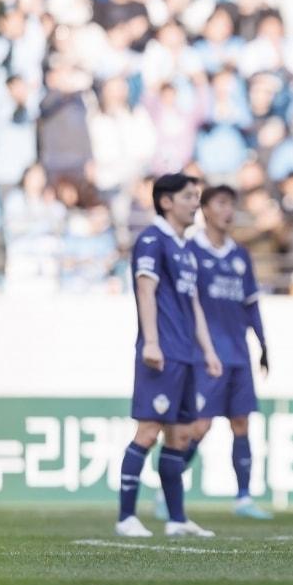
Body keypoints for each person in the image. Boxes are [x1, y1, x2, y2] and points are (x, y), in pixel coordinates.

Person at [153, 185, 272, 521]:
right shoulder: (190, 251)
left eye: (232, 204)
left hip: (238, 354)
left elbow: (251, 304)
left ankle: (244, 497)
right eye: (221, 203)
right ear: (205, 209)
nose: (228, 211)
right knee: (198, 426)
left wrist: (263, 345)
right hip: (205, 356)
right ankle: (166, 490)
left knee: (241, 423)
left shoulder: (240, 255)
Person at [115, 174, 221, 538]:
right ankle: (126, 517)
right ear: (166, 202)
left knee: (179, 436)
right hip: (162, 353)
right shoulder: (151, 240)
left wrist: (208, 349)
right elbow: (146, 291)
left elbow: (193, 304)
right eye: (189, 197)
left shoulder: (186, 248)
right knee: (148, 431)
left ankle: (176, 519)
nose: (196, 203)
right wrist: (151, 341)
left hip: (187, 355)